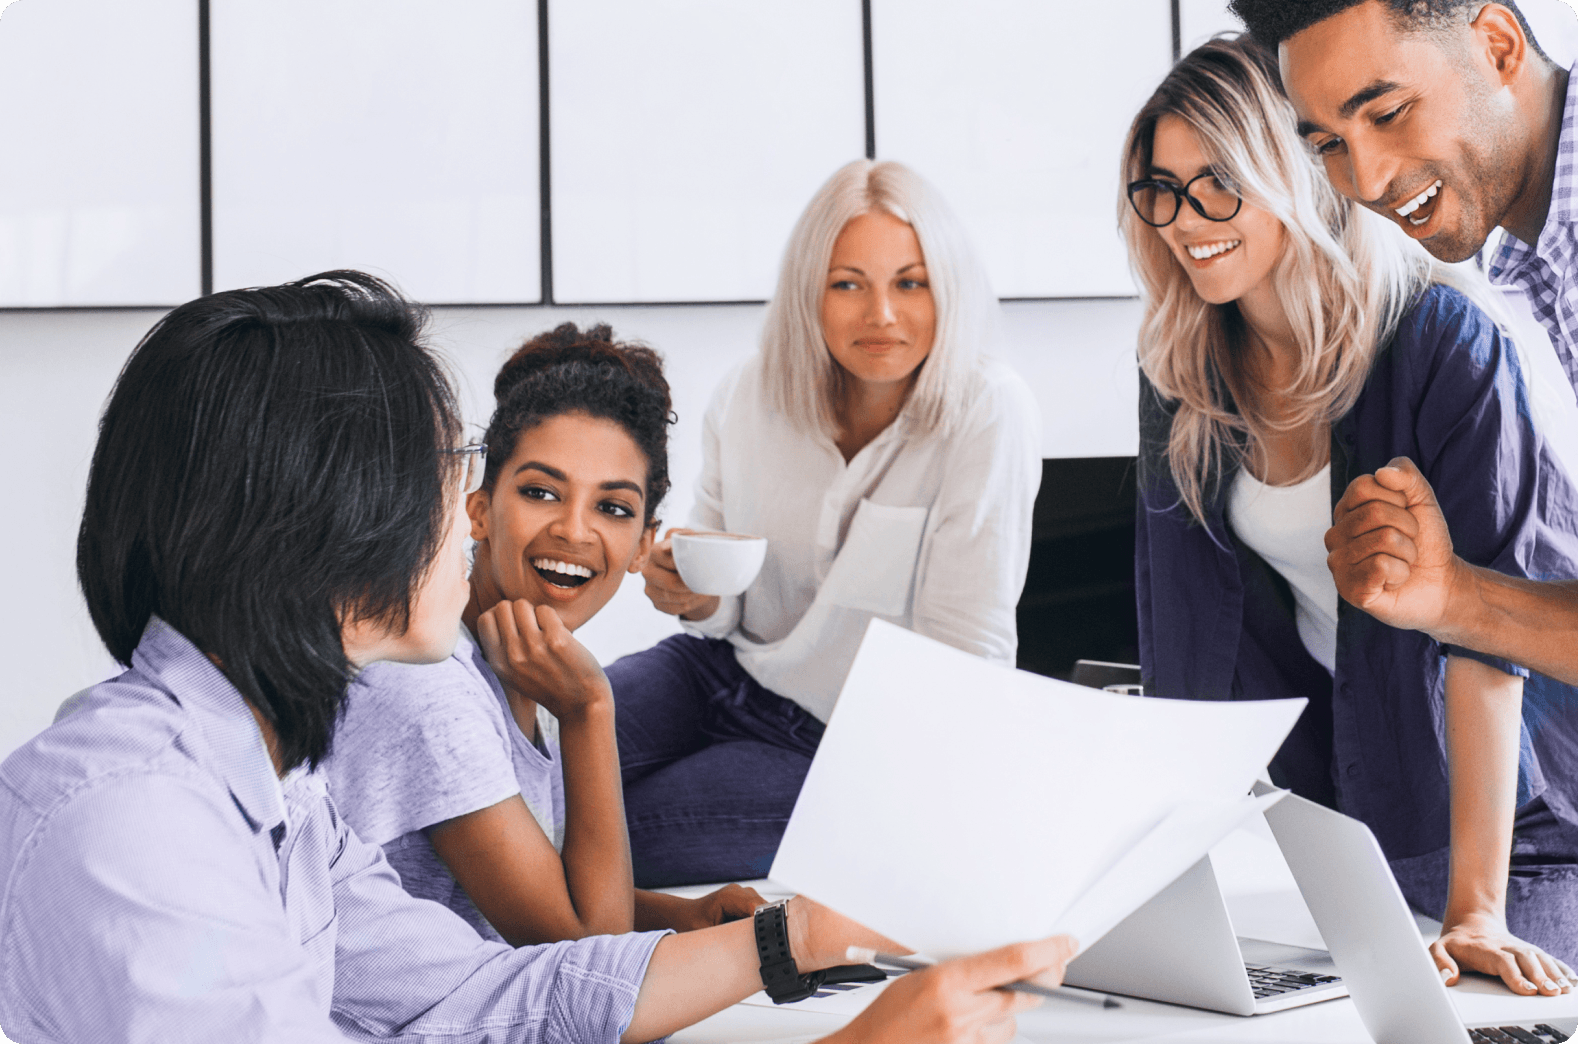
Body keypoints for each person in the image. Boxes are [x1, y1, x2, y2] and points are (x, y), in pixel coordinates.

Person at [0, 270, 1077, 1043]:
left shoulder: (279, 801)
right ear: (326, 517)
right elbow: (550, 947)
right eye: (449, 468)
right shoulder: (133, 825)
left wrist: (783, 945)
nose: (460, 516)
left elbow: (474, 1000)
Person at [1125, 37, 1578, 991]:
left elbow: (1485, 638)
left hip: (1520, 824)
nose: (1183, 221)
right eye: (1161, 189)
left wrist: (1475, 910)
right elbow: (1181, 644)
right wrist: (1158, 880)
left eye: (1218, 183)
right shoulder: (1181, 372)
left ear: (1287, 172)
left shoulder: (1443, 341)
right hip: (1355, 808)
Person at [606, 159, 1042, 887]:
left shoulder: (987, 411)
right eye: (849, 284)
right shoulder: (749, 393)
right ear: (811, 289)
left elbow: (968, 656)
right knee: (535, 756)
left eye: (911, 282)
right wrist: (695, 595)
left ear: (948, 289)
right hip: (718, 672)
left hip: (843, 751)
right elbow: (721, 600)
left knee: (603, 837)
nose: (882, 315)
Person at [322, 323, 763, 945]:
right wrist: (590, 710)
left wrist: (684, 916)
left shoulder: (525, 661)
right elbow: (587, 959)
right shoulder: (433, 689)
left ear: (642, 545)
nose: (575, 531)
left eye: (612, 508)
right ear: (478, 509)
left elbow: (549, 890)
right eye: (540, 492)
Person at [1231, 1, 1578, 683]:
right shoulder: (1527, 270)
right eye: (1327, 144)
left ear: (1499, 47)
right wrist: (1452, 596)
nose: (1366, 180)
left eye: (1387, 113)